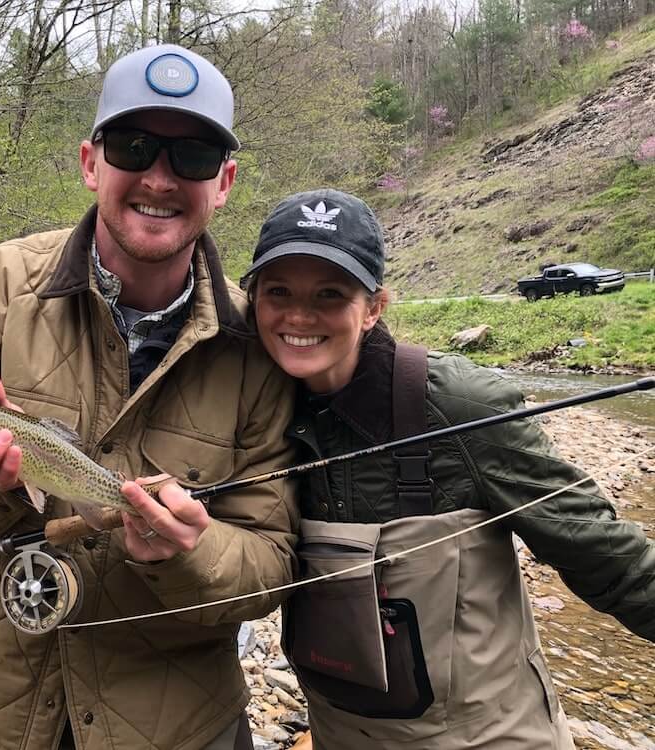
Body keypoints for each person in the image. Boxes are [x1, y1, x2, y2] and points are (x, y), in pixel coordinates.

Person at [0, 45, 299, 750]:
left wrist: (188, 551)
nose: (160, 177)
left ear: (225, 181)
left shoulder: (258, 345)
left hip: (181, 724)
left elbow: (270, 569)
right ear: (91, 163)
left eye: (194, 156)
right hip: (1, 711)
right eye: (134, 146)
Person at [240, 188, 655, 749]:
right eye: (279, 292)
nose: (298, 316)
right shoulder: (254, 411)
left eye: (331, 295)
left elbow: (607, 554)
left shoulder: (459, 403)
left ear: (375, 308)